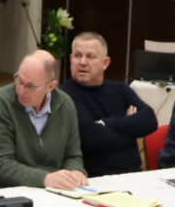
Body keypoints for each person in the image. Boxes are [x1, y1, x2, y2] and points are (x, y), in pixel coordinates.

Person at [0, 50, 87, 189]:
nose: (21, 90)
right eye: (19, 80)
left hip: (49, 191)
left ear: (51, 86)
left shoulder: (65, 105)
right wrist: (44, 179)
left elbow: (72, 156)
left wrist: (76, 171)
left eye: (30, 86)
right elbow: (0, 164)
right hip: (2, 191)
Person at [61, 32, 158, 176]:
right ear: (71, 59)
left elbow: (150, 120)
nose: (82, 62)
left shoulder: (120, 89)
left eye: (90, 56)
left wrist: (105, 123)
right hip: (92, 178)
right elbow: (90, 138)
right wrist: (131, 129)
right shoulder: (64, 95)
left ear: (105, 63)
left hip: (134, 175)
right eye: (77, 56)